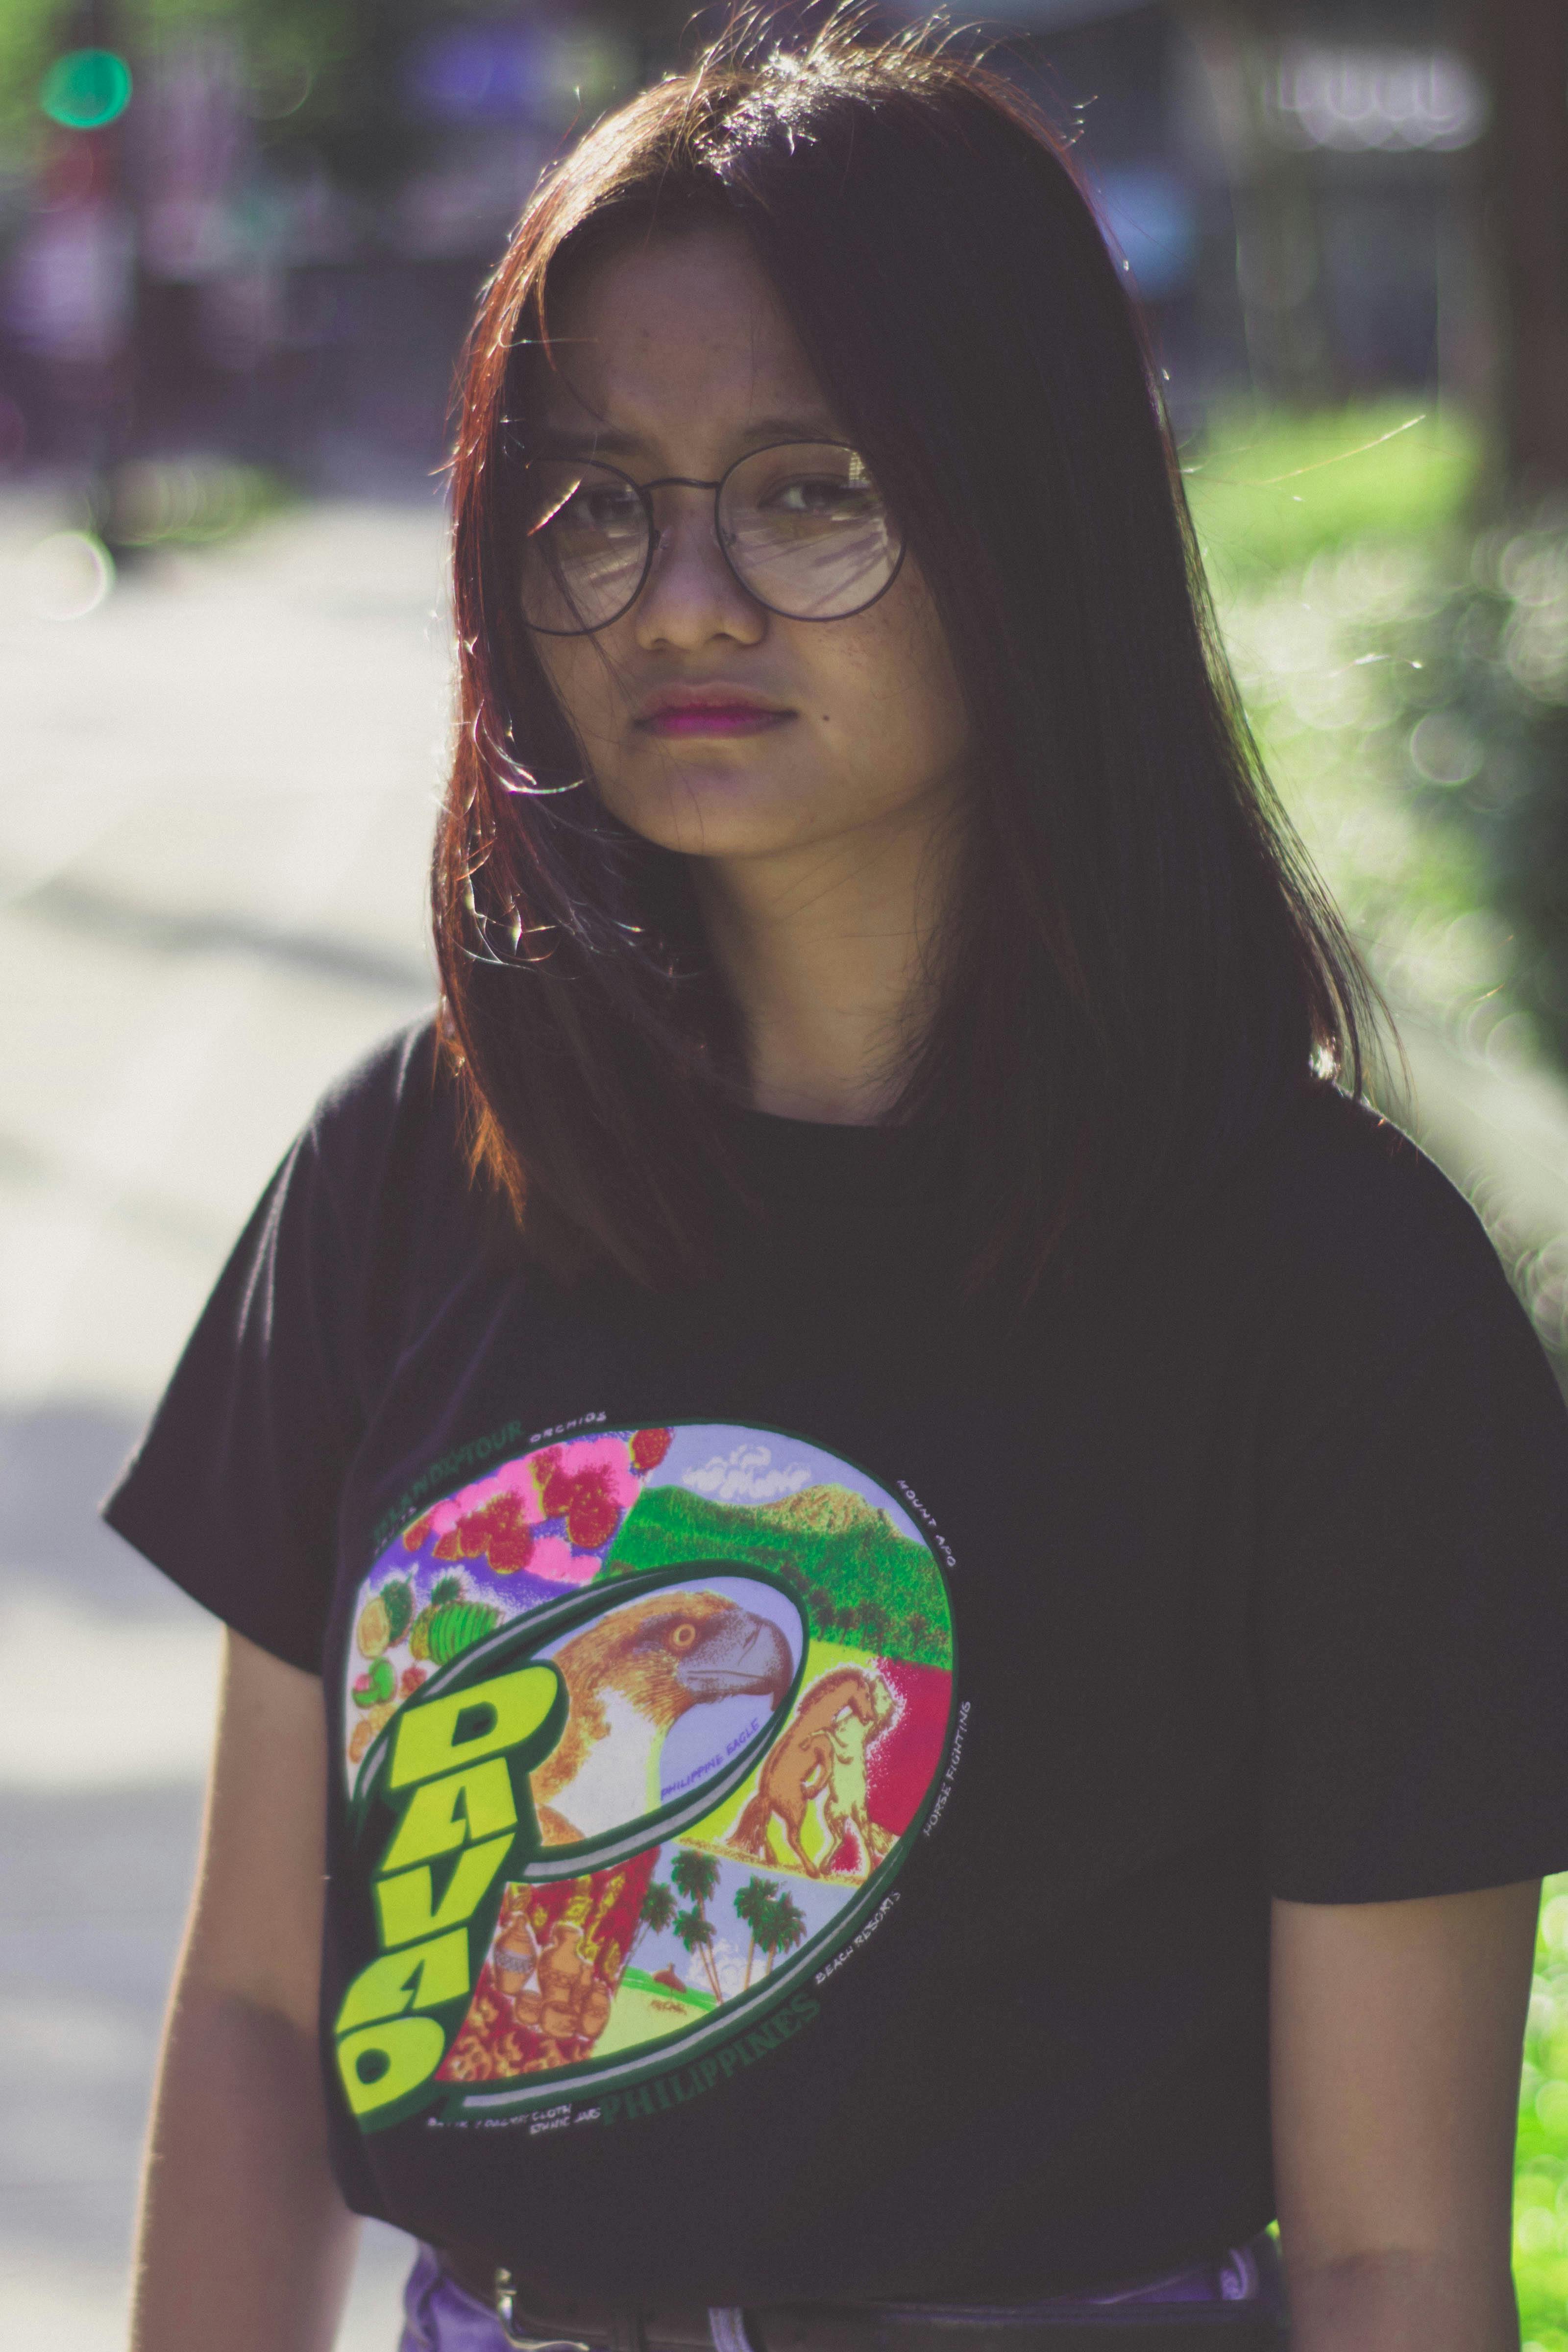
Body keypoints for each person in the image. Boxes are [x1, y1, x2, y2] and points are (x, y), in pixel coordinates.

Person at [104, 16, 1568, 2352]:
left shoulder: (1330, 1296)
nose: (677, 600)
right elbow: (265, 2013)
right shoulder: (405, 1168)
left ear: (1027, 521)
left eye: (808, 492)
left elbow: (1394, 2251)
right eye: (597, 503)